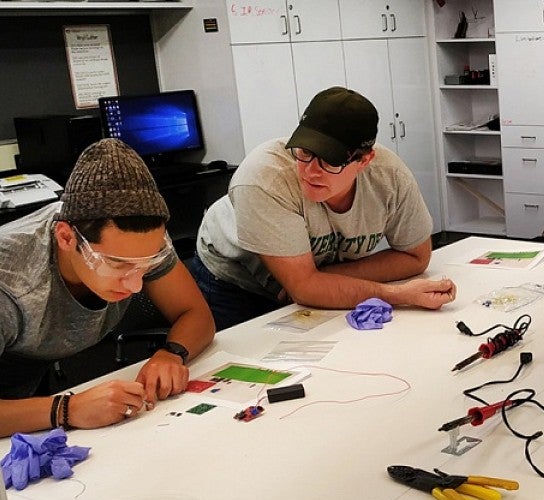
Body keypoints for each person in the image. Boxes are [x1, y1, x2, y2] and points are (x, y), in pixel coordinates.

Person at [189, 86, 456, 330]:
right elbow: (305, 289)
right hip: (233, 278)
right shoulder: (264, 178)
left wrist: (321, 280)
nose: (311, 172)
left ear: (365, 160)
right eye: (304, 152)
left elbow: (416, 257)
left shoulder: (388, 176)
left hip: (310, 273)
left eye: (331, 160)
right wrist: (397, 295)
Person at [0, 139, 215, 437]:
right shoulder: (9, 279)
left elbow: (196, 314)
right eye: (118, 265)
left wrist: (171, 353)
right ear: (66, 238)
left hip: (38, 383)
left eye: (146, 265)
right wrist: (67, 410)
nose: (136, 283)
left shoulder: (140, 240)